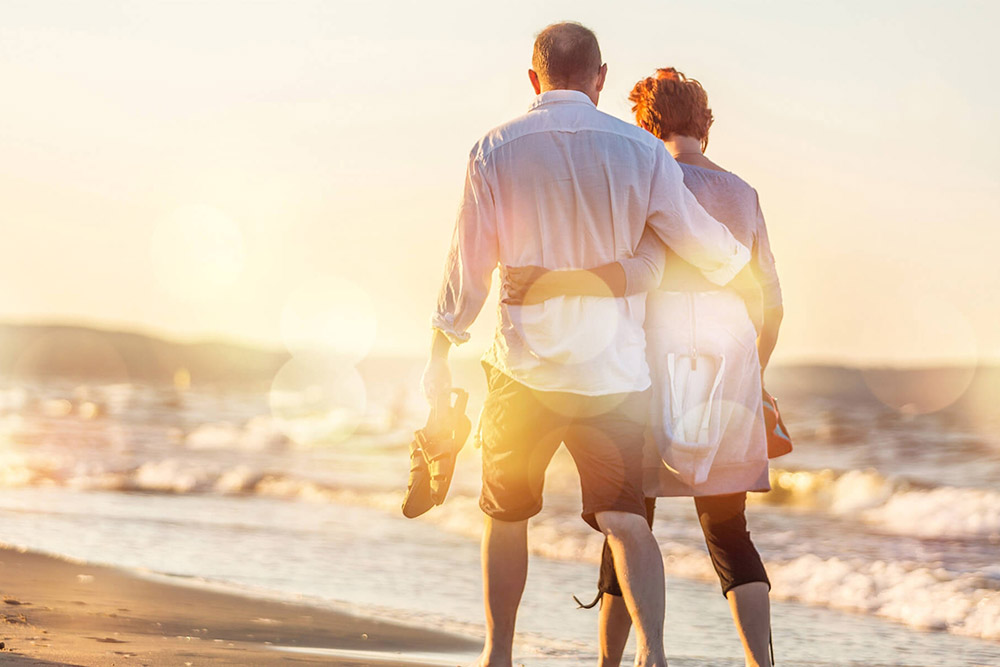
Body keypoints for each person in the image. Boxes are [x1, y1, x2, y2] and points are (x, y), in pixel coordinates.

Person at [422, 24, 753, 667]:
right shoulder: (643, 152)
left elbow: (469, 266)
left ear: (532, 78)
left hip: (523, 369)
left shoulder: (492, 149)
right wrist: (741, 261)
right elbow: (705, 247)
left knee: (506, 513)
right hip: (614, 374)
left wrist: (442, 344)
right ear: (600, 78)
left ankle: (499, 654)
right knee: (626, 518)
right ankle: (653, 655)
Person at [503, 68, 783, 667]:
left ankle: (614, 662)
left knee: (630, 515)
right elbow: (772, 305)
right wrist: (753, 376)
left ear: (644, 122)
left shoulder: (642, 175)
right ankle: (763, 664)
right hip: (730, 349)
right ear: (704, 121)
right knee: (728, 528)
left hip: (650, 348)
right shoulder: (744, 193)